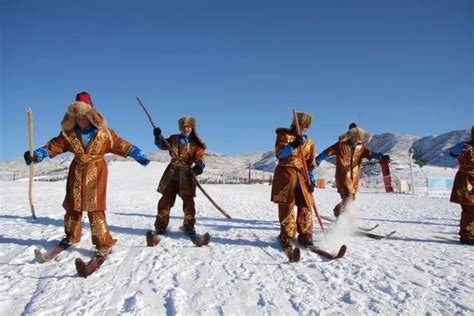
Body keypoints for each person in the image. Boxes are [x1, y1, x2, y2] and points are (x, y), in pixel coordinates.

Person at [24, 92, 150, 257]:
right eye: (76, 116)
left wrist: (139, 155)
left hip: (96, 171)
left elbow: (122, 145)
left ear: (91, 115)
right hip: (76, 171)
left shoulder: (105, 134)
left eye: (83, 116)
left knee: (95, 207)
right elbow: (53, 146)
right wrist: (37, 154)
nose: (80, 120)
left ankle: (103, 242)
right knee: (72, 205)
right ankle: (71, 234)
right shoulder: (68, 135)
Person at [316, 123, 390, 218]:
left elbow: (371, 154)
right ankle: (345, 218)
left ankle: (339, 213)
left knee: (350, 197)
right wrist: (317, 160)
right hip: (343, 175)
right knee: (349, 195)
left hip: (354, 177)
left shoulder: (361, 147)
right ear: (349, 135)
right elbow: (326, 152)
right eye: (354, 136)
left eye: (358, 136)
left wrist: (381, 157)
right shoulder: (340, 145)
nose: (356, 139)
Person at [151, 116, 206, 238]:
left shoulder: (196, 144)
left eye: (189, 127)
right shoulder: (174, 138)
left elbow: (200, 158)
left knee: (189, 204)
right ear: (181, 128)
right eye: (184, 127)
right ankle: (160, 226)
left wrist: (198, 167)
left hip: (187, 176)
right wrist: (158, 136)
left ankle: (189, 226)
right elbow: (162, 145)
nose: (187, 129)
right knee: (165, 202)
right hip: (171, 175)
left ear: (192, 128)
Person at [271, 112, 316, 248]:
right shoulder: (284, 135)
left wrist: (312, 180)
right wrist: (294, 144)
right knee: (287, 205)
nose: (304, 129)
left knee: (306, 204)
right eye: (302, 126)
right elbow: (280, 154)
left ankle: (305, 233)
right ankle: (287, 235)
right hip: (286, 175)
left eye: (306, 127)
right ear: (296, 124)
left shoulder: (309, 142)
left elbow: (310, 164)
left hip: (302, 177)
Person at [449, 126, 474, 245]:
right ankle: (468, 235)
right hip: (465, 180)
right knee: (468, 206)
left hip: (467, 179)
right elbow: (452, 153)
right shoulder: (465, 146)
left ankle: (467, 233)